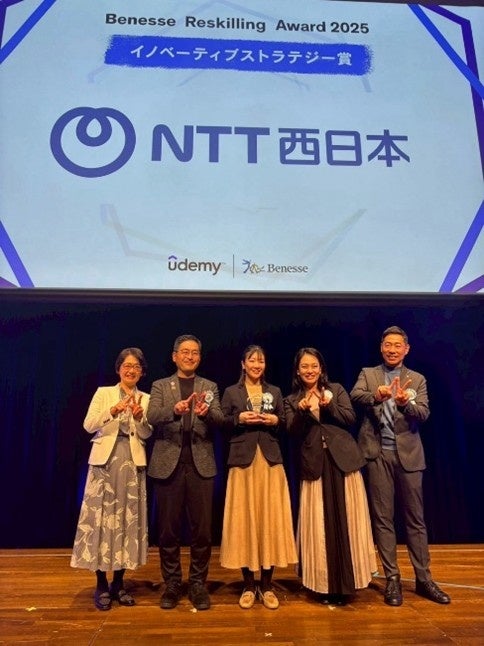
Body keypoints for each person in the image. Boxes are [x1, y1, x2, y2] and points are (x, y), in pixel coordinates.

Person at [350, 325, 451, 606]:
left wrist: (406, 403)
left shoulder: (416, 379)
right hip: (377, 454)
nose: (392, 349)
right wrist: (377, 395)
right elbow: (355, 395)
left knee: (415, 520)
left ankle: (424, 579)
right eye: (388, 344)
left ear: (406, 349)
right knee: (383, 519)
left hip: (409, 455)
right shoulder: (369, 374)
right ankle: (392, 579)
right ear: (381, 347)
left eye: (397, 345)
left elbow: (424, 413)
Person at [284, 347, 377, 605]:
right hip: (315, 463)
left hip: (342, 461)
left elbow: (350, 418)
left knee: (346, 520)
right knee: (320, 523)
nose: (310, 370)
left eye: (314, 366)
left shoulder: (335, 389)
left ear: (321, 368)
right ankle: (324, 585)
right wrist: (302, 411)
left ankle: (347, 583)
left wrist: (330, 405)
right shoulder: (291, 400)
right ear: (297, 371)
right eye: (304, 366)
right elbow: (290, 431)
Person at [71, 347, 152, 611]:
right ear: (118, 369)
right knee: (101, 520)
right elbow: (88, 425)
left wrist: (140, 419)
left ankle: (119, 583)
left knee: (126, 522)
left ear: (142, 372)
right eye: (127, 366)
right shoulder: (103, 393)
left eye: (136, 367)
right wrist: (113, 411)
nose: (131, 370)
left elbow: (147, 433)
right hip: (104, 463)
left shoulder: (146, 398)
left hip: (131, 462)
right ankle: (101, 583)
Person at [147, 334, 223, 611]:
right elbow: (151, 416)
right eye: (185, 352)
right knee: (168, 530)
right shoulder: (160, 385)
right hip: (168, 464)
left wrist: (205, 413)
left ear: (199, 357)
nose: (190, 356)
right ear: (174, 356)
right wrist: (174, 410)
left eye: (195, 353)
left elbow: (220, 420)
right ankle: (172, 584)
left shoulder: (209, 386)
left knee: (202, 530)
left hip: (201, 464)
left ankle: (198, 584)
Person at [220, 344, 298, 610]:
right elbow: (221, 422)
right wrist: (239, 418)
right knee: (244, 520)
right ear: (243, 364)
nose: (256, 365)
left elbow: (286, 422)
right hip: (242, 461)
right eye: (252, 360)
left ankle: (266, 585)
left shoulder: (274, 391)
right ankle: (248, 585)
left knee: (270, 519)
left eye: (261, 361)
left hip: (270, 461)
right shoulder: (231, 392)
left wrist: (275, 421)